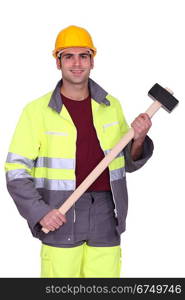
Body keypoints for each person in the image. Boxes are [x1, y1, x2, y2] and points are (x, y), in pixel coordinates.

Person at [5, 25, 153, 278]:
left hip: (107, 212)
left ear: (92, 61)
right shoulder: (36, 111)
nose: (76, 63)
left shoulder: (111, 106)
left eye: (83, 56)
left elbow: (126, 161)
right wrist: (41, 212)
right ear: (58, 62)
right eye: (68, 56)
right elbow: (16, 171)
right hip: (60, 212)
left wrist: (138, 139)